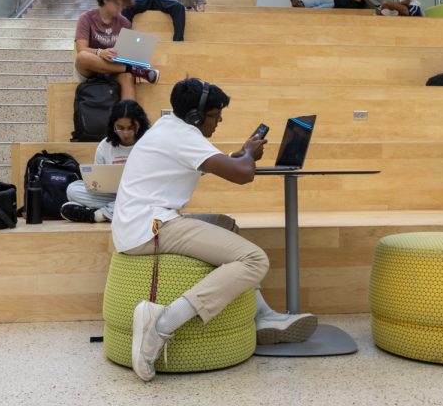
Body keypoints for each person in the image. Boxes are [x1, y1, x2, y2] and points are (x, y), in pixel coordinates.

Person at [116, 78, 317, 381]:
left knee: (226, 225)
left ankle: (262, 314)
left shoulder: (170, 128)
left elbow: (224, 163)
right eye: (215, 115)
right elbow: (242, 175)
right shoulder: (184, 136)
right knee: (254, 259)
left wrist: (243, 154)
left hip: (141, 222)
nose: (219, 121)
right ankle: (162, 323)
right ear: (196, 116)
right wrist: (248, 155)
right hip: (151, 227)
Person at [61, 100, 151, 223]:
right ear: (113, 125)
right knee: (72, 189)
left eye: (130, 128)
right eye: (120, 128)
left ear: (139, 124)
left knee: (149, 197)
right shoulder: (105, 146)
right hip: (112, 195)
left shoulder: (149, 142)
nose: (125, 133)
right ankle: (116, 211)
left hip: (138, 194)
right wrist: (95, 185)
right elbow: (99, 177)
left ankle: (97, 215)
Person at [74, 0, 158, 101]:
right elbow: (81, 49)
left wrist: (136, 56)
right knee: (82, 57)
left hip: (114, 69)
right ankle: (133, 70)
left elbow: (129, 52)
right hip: (91, 69)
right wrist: (100, 52)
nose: (120, 8)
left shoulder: (124, 22)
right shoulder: (86, 18)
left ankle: (128, 116)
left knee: (127, 77)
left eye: (122, 5)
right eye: (116, 4)